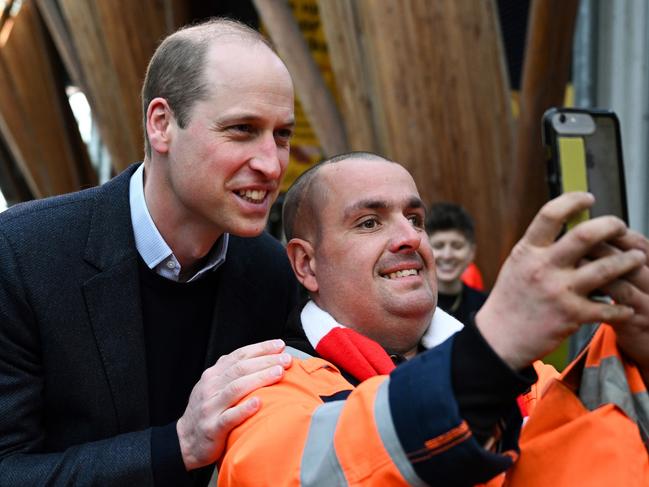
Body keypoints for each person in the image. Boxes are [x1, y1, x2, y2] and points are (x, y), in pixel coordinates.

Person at [217, 152, 649, 486]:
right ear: (306, 265)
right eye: (369, 223)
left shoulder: (525, 376)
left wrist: (640, 353)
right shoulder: (265, 384)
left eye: (415, 218)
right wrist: (485, 355)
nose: (409, 238)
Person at [0, 19, 302, 486]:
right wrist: (176, 446)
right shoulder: (22, 254)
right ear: (161, 124)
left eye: (282, 135)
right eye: (242, 129)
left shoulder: (271, 272)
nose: (271, 163)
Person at [426, 202, 487, 324]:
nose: (447, 255)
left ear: (471, 252)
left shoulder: (485, 307)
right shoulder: (412, 304)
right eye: (438, 246)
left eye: (457, 246)